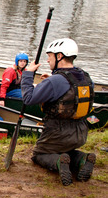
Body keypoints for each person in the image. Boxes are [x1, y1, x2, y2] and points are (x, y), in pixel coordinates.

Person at [21, 38, 95, 186]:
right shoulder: (85, 76)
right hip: (80, 133)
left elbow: (28, 99)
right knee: (64, 151)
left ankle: (58, 162)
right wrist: (51, 80)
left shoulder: (56, 81)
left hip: (58, 133)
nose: (48, 61)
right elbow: (68, 90)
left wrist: (28, 74)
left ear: (59, 56)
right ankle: (82, 159)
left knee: (39, 154)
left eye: (49, 56)